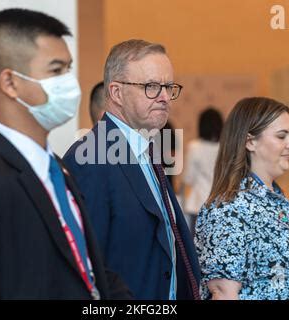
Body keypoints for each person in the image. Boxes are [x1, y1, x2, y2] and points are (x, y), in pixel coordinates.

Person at [0, 8, 131, 300]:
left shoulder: (56, 170)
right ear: (10, 83)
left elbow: (87, 270)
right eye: (56, 71)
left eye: (68, 69)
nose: (70, 82)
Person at [63, 39, 200, 300]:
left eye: (168, 87)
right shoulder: (91, 158)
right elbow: (88, 267)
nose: (164, 98)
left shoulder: (146, 149)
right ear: (116, 93)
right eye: (151, 87)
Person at [194, 97, 289, 300]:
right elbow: (223, 294)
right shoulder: (229, 210)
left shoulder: (274, 199)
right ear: (250, 142)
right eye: (281, 136)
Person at [183, 107, 223, 234]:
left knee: (196, 248)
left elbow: (189, 178)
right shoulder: (224, 147)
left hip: (198, 204)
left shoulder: (194, 146)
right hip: (220, 204)